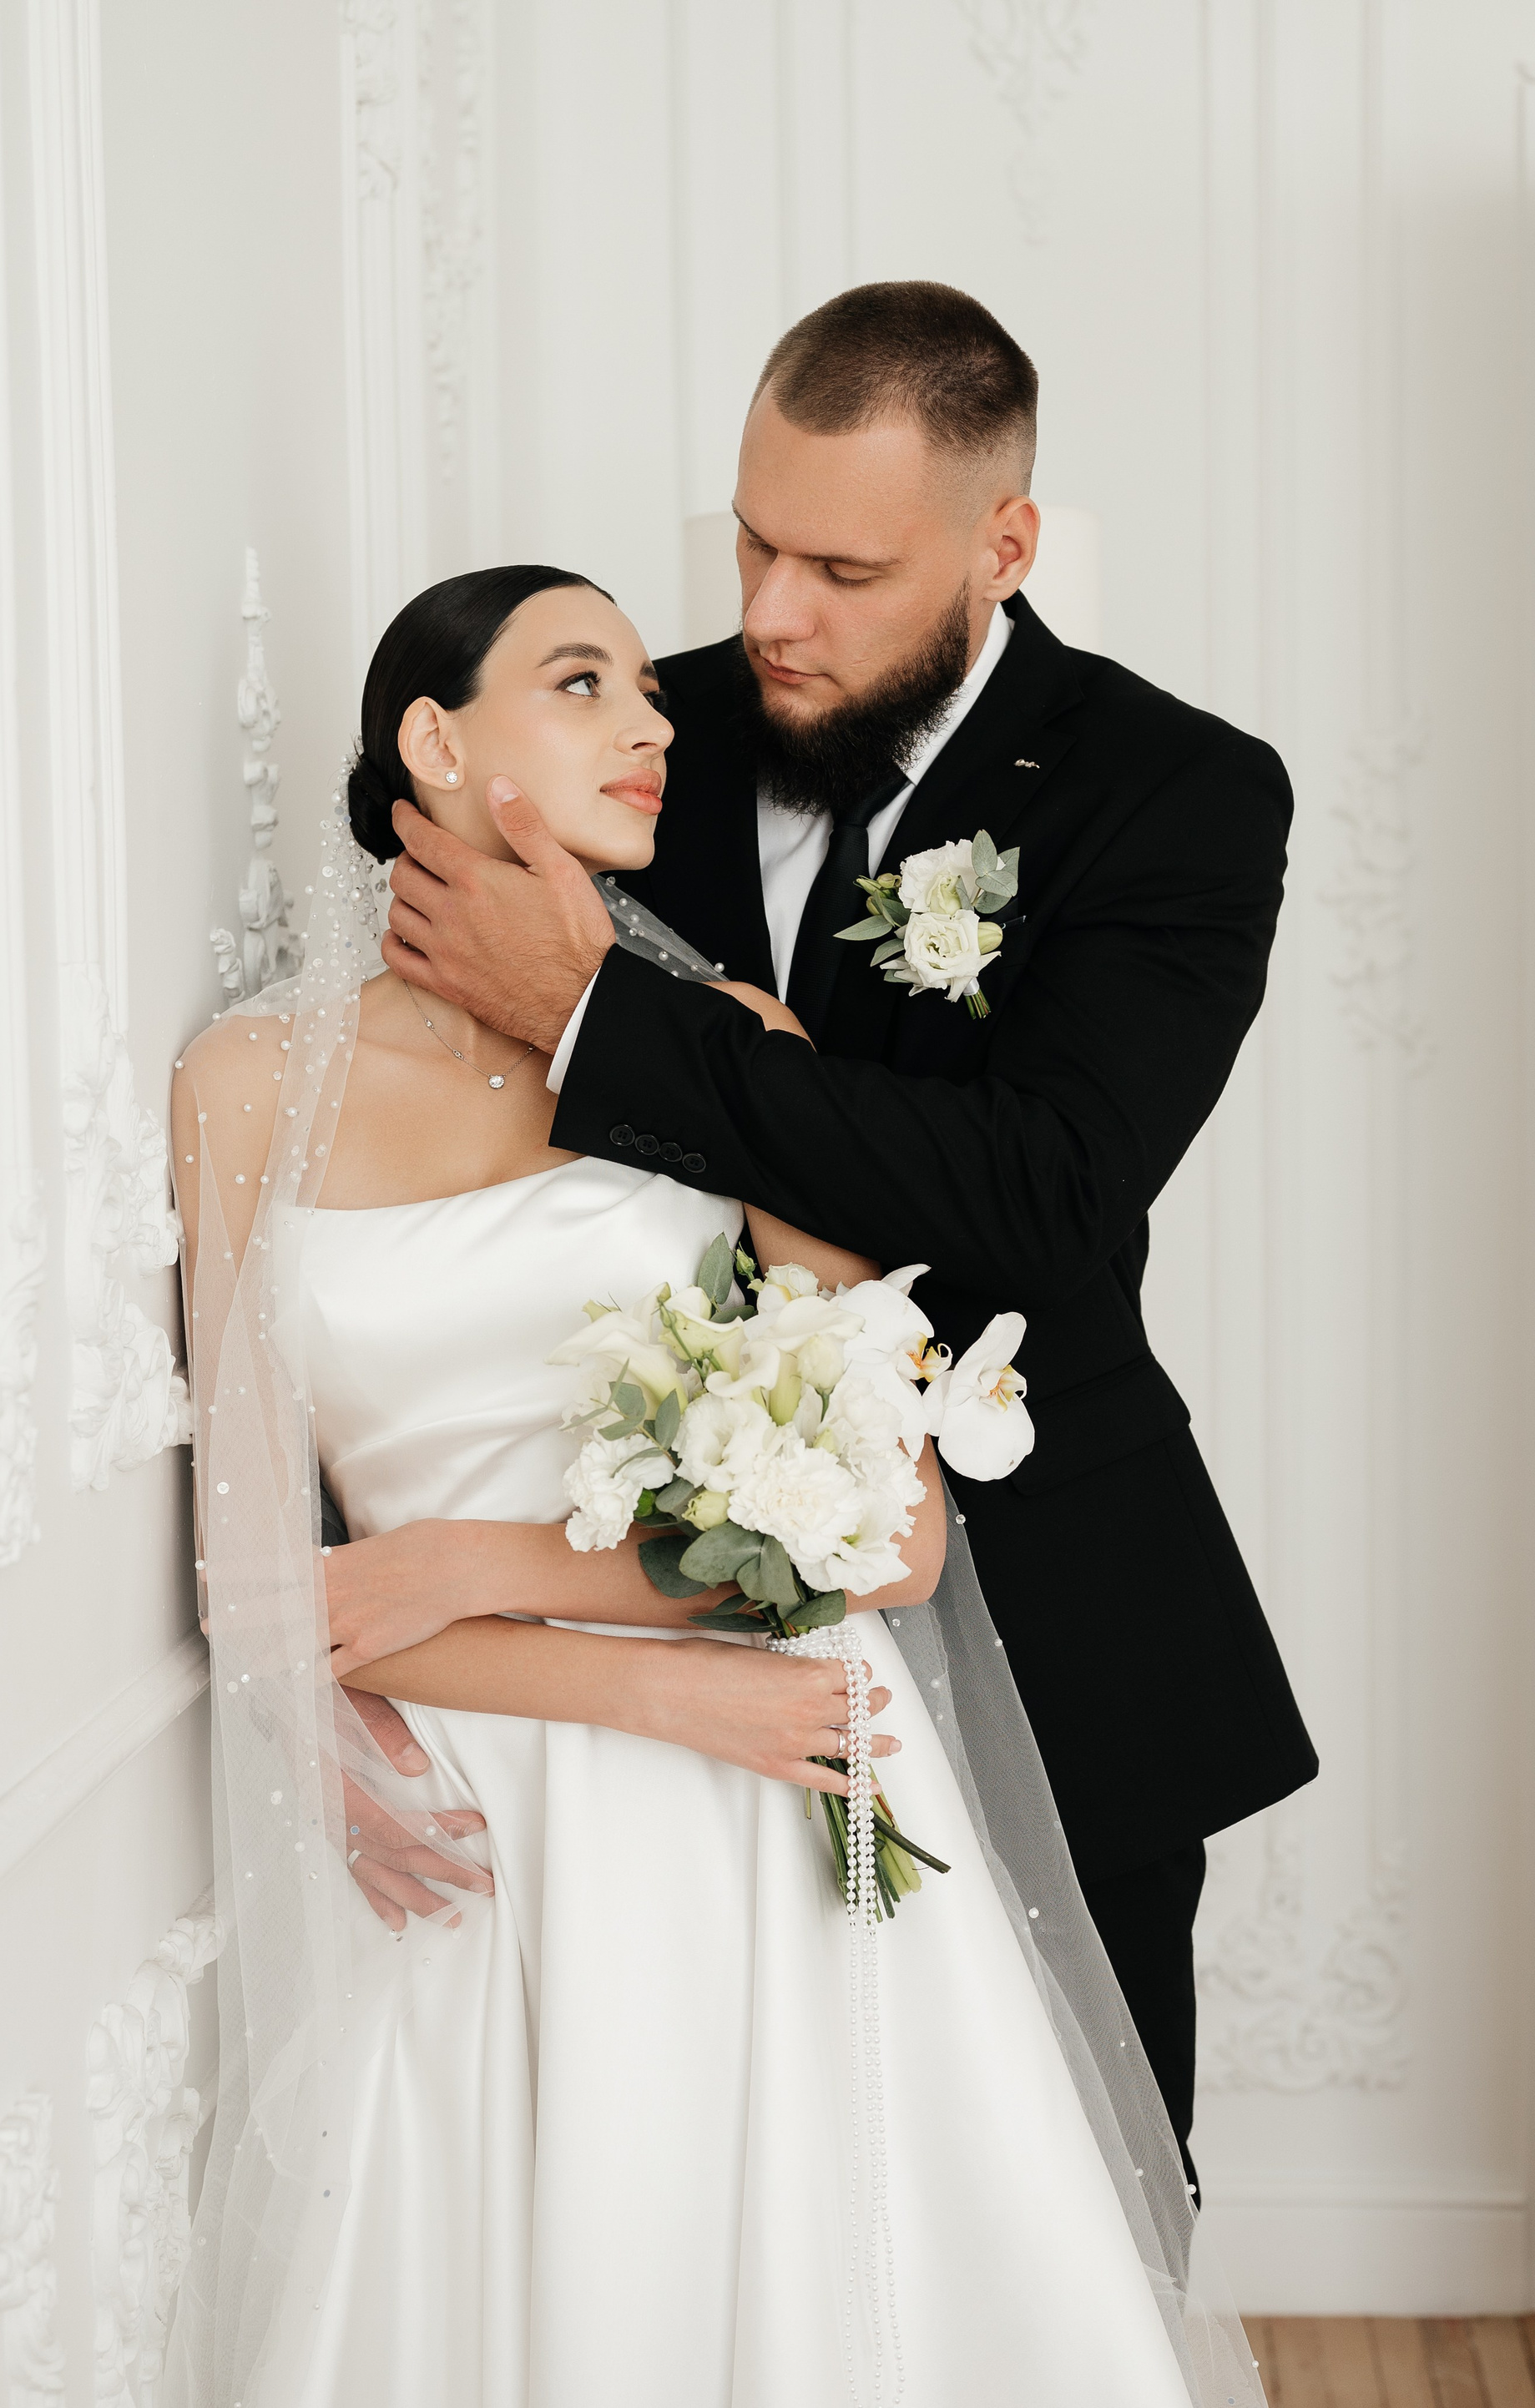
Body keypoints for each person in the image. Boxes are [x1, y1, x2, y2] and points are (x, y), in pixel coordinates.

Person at [165, 565, 1263, 2405]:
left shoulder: (731, 1047)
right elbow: (271, 1594)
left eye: (647, 693)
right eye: (580, 681)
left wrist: (471, 1564)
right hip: (486, 1815)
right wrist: (657, 1690)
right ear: (432, 740)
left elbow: (895, 1534)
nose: (656, 720)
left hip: (785, 1786)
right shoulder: (243, 1087)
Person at [364, 280, 1320, 2194]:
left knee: (1085, 2205)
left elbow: (1047, 1196)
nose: (770, 614)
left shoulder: (1182, 792)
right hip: (656, 1634)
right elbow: (422, 1160)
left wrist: (603, 1018)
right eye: (751, 543)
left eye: (843, 570)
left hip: (1057, 1604)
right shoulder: (631, 735)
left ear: (1005, 544)